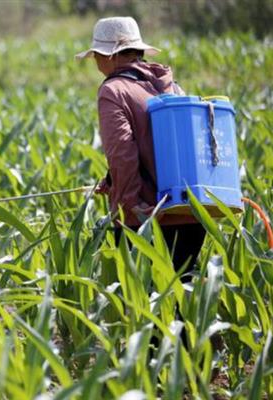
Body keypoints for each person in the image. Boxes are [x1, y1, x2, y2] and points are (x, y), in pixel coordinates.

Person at [76, 17, 206, 280]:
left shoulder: (113, 90)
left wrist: (129, 209)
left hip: (149, 219)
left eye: (97, 55)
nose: (96, 62)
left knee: (146, 308)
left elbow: (123, 155)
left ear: (109, 56)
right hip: (192, 212)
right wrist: (111, 181)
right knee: (185, 307)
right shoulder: (171, 86)